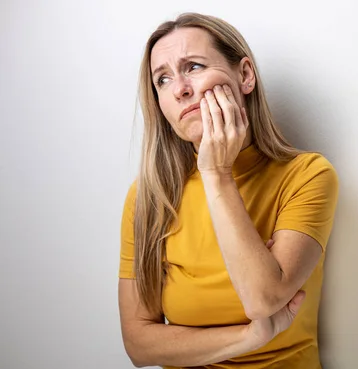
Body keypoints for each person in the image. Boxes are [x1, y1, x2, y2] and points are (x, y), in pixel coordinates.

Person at [117, 12, 339, 369]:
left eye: (193, 66)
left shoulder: (307, 176)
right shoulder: (147, 197)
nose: (180, 89)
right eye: (162, 79)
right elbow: (139, 345)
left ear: (245, 75)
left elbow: (263, 300)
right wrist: (248, 337)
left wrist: (216, 172)